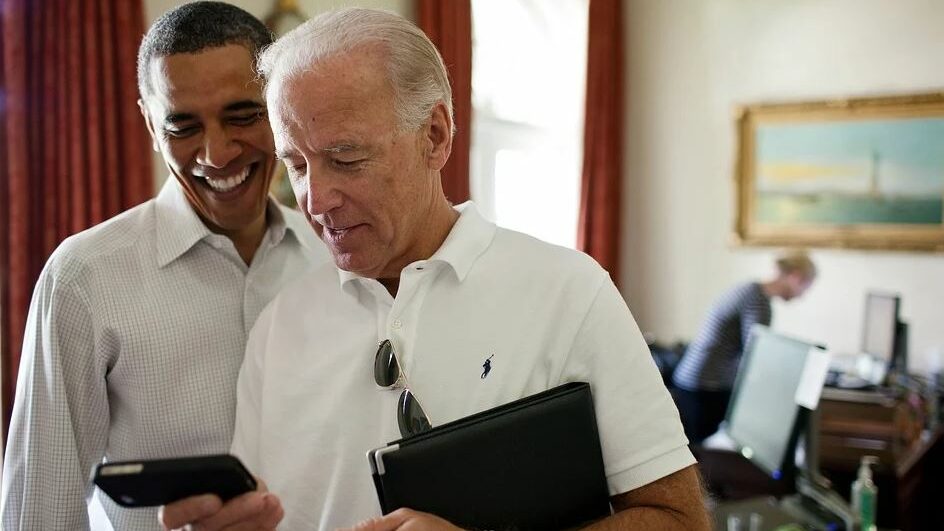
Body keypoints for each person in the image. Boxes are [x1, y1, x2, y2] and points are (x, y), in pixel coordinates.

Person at [160, 8, 709, 531]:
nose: (315, 198)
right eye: (296, 164)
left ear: (436, 135)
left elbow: (680, 519)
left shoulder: (569, 292)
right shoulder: (279, 327)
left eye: (347, 158)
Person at [0, 3, 328, 529]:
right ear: (151, 125)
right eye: (183, 126)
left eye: (243, 115)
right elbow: (38, 512)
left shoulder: (335, 262)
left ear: (281, 107)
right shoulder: (82, 278)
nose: (216, 154)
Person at [672, 251, 817, 444]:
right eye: (804, 288)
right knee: (705, 454)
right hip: (705, 386)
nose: (802, 296)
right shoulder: (758, 300)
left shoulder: (750, 290)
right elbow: (757, 354)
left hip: (694, 380)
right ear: (796, 277)